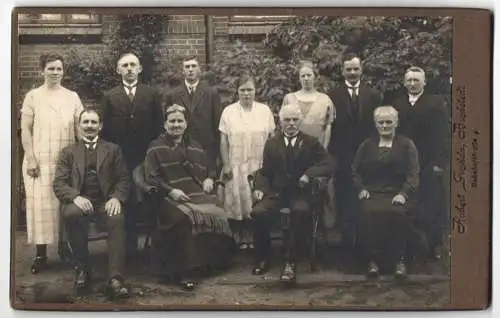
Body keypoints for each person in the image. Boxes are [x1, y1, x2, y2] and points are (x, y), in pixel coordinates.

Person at [144, 104, 235, 291]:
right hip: (168, 197)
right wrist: (170, 191)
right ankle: (186, 271)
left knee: (217, 210)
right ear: (165, 124)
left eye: (179, 121)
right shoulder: (155, 147)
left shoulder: (194, 145)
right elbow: (151, 177)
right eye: (172, 121)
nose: (176, 125)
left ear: (186, 124)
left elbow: (209, 166)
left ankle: (211, 263)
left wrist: (209, 177)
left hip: (195, 193)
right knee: (184, 217)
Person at [250, 104, 335, 283]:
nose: (291, 123)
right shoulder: (272, 144)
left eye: (295, 120)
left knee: (301, 212)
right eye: (287, 120)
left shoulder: (311, 142)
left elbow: (329, 164)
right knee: (258, 212)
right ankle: (263, 257)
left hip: (301, 193)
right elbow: (265, 171)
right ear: (280, 122)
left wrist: (308, 174)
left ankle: (291, 261)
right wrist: (260, 188)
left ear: (300, 121)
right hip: (277, 193)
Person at [52, 108, 131, 299]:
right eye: (85, 122)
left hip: (105, 201)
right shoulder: (68, 152)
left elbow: (124, 179)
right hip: (80, 200)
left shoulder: (113, 149)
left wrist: (116, 198)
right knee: (71, 213)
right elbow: (59, 183)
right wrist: (75, 197)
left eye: (93, 122)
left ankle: (115, 278)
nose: (89, 126)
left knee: (116, 218)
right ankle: (82, 268)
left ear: (100, 126)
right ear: (79, 126)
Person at [20, 52, 84, 274]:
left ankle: (64, 249)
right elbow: (25, 129)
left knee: (63, 205)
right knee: (40, 207)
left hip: (65, 161)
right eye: (51, 68)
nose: (55, 72)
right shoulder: (33, 96)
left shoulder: (72, 96)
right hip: (39, 161)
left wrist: (81, 157)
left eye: (59, 68)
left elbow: (80, 128)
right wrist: (30, 158)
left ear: (63, 71)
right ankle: (40, 254)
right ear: (42, 70)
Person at [100, 52, 164, 257]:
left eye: (133, 65)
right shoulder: (109, 96)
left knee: (149, 197)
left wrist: (152, 154)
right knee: (125, 199)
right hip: (120, 157)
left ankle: (155, 247)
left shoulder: (151, 94)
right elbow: (106, 130)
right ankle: (128, 249)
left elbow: (158, 126)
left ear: (139, 69)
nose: (129, 68)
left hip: (146, 156)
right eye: (125, 65)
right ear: (118, 70)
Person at [352, 106, 420, 278]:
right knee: (368, 212)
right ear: (375, 124)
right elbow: (354, 171)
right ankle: (373, 260)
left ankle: (399, 260)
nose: (385, 126)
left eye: (389, 122)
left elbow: (413, 174)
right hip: (372, 192)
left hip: (397, 193)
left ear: (396, 123)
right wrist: (361, 188)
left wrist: (403, 194)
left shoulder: (406, 145)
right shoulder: (367, 145)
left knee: (397, 213)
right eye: (381, 122)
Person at [390, 66, 450, 260]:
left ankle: (433, 246)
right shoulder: (397, 104)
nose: (413, 84)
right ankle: (408, 247)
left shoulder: (436, 103)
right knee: (407, 201)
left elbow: (443, 135)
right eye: (410, 80)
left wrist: (439, 162)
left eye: (417, 80)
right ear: (404, 82)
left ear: (424, 82)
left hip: (428, 161)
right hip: (403, 162)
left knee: (431, 202)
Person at [327, 52, 382, 247]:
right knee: (344, 199)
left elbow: (378, 128)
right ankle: (346, 245)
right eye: (348, 69)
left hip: (367, 157)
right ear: (342, 71)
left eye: (355, 69)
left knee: (366, 199)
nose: (352, 73)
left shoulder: (374, 95)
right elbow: (329, 128)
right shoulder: (332, 96)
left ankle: (366, 244)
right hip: (342, 157)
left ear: (362, 70)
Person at [219, 75, 276, 249]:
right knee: (238, 201)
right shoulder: (228, 111)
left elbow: (272, 139)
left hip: (259, 165)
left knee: (255, 200)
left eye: (249, 89)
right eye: (242, 90)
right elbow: (223, 141)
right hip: (236, 163)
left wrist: (270, 166)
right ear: (237, 92)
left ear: (255, 91)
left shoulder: (264, 111)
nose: (246, 93)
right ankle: (240, 236)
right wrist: (226, 164)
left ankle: (255, 237)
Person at [282, 61, 337, 229]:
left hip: (317, 151)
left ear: (315, 77)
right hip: (296, 154)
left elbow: (328, 126)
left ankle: (321, 226)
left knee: (320, 188)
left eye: (309, 75)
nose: (306, 79)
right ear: (299, 78)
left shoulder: (325, 99)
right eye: (303, 75)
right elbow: (285, 123)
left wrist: (324, 149)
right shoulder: (290, 98)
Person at [166, 56, 223, 170]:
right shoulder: (173, 94)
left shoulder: (211, 93)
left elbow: (217, 124)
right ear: (183, 71)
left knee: (207, 182)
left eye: (193, 66)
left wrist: (218, 153)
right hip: (182, 148)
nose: (190, 69)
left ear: (199, 70)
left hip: (206, 147)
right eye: (187, 67)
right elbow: (167, 124)